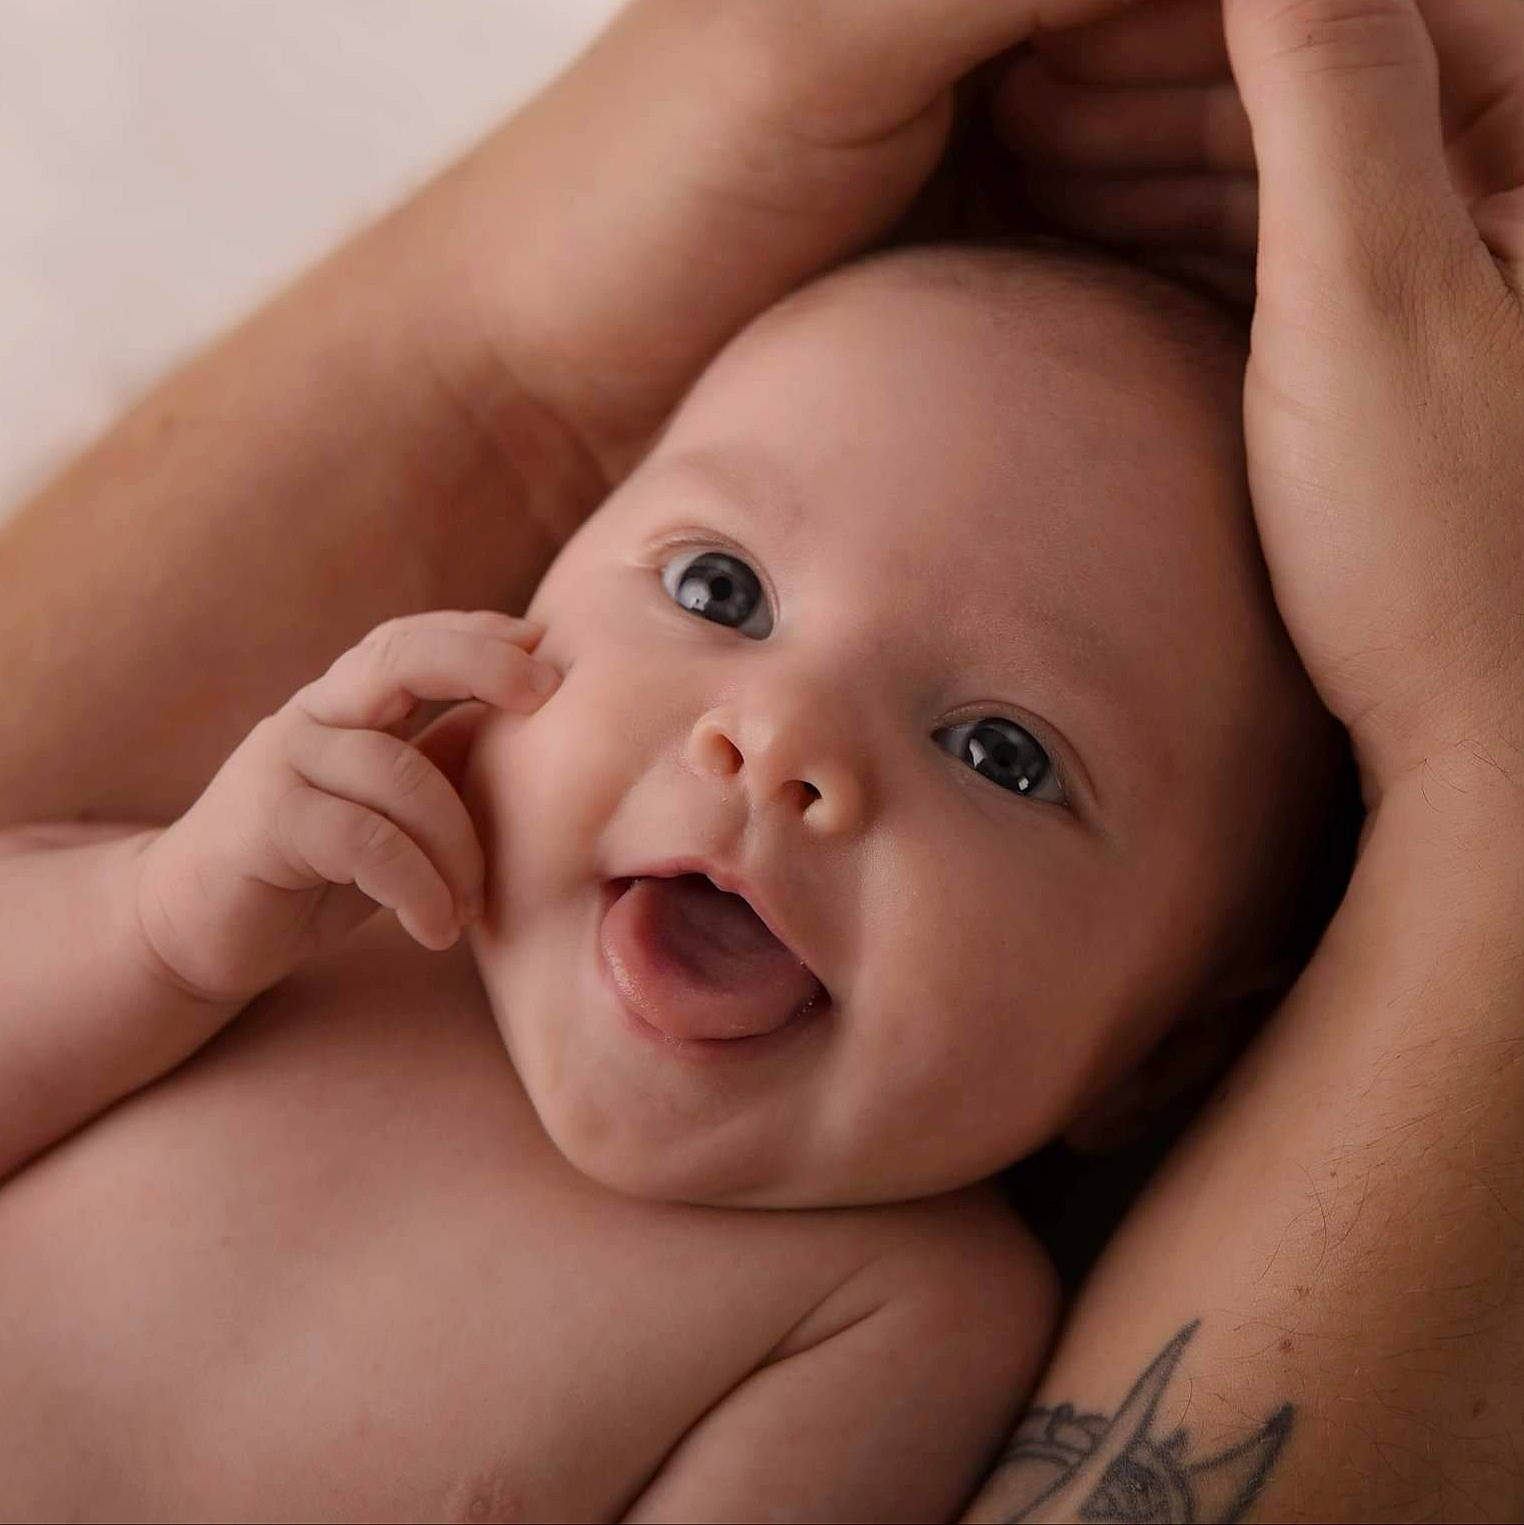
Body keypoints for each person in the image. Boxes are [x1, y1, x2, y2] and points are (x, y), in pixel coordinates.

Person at [0, 0, 1520, 1516]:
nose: (780, 738)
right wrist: (154, 924)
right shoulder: (312, 909)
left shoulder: (890, 1309)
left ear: (1168, 1051)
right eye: (717, 590)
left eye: (1001, 750)